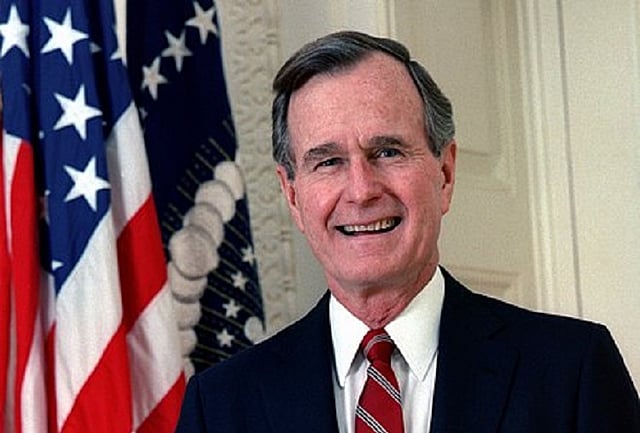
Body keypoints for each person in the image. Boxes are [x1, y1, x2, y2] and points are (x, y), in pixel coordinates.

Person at [175, 30, 640, 432]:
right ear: (293, 196)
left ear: (446, 173)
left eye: (388, 152)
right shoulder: (219, 406)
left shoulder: (571, 372)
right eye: (329, 162)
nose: (361, 191)